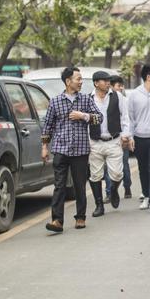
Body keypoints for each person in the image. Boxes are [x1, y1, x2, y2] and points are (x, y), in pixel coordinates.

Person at [41, 67, 101, 232]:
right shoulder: (55, 101)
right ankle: (57, 221)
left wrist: (83, 116)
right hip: (60, 149)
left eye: (81, 79)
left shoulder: (86, 100)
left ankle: (80, 217)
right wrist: (44, 147)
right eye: (78, 79)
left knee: (79, 185)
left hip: (81, 151)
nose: (81, 82)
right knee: (59, 186)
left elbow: (99, 118)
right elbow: (48, 126)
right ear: (68, 81)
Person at [123, 64, 150, 214]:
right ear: (148, 77)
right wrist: (130, 137)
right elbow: (131, 118)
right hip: (140, 138)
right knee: (143, 169)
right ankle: (147, 196)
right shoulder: (134, 95)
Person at [88, 71, 128, 218]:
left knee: (117, 174)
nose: (107, 83)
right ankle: (99, 205)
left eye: (108, 80)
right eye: (104, 81)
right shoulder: (88, 98)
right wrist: (87, 140)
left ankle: (113, 190)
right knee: (95, 175)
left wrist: (126, 135)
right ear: (96, 83)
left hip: (113, 140)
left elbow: (125, 117)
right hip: (95, 141)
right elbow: (85, 121)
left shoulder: (117, 96)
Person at [105, 74, 133, 201]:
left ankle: (127, 187)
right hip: (109, 139)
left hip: (122, 137)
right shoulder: (104, 100)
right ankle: (109, 191)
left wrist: (127, 136)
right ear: (110, 86)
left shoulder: (125, 100)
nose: (120, 88)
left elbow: (128, 120)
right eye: (118, 86)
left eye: (122, 86)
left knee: (124, 165)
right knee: (108, 167)